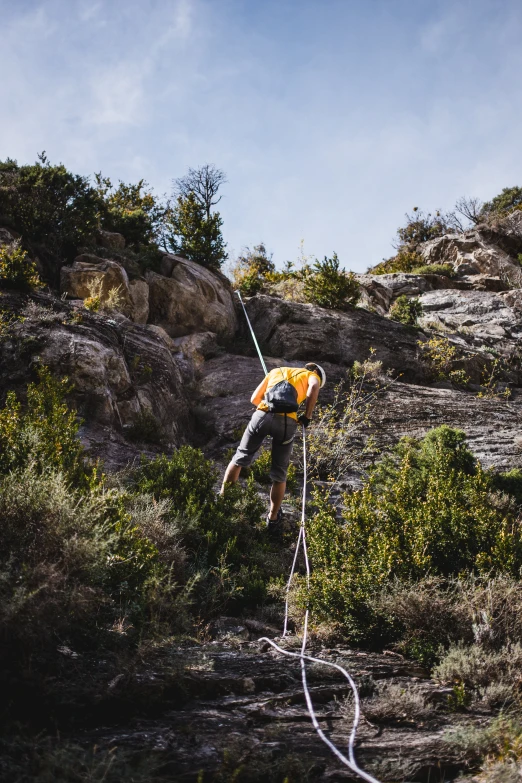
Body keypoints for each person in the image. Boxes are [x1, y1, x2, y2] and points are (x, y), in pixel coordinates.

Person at [220, 362, 326, 531]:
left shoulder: (276, 371)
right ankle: (273, 517)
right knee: (279, 473)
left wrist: (269, 406)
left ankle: (224, 501)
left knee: (240, 457)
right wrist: (307, 416)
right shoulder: (313, 376)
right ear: (315, 371)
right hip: (286, 422)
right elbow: (313, 388)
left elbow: (254, 399)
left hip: (262, 415)